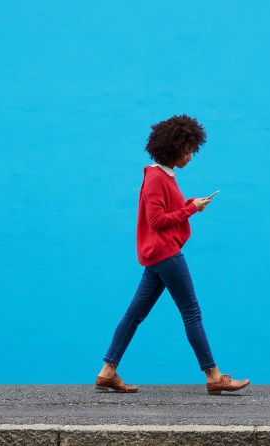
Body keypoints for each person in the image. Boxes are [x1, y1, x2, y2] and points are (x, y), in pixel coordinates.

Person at [95, 114, 250, 395]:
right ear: (173, 148)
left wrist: (191, 203)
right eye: (188, 150)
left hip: (157, 256)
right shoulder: (155, 177)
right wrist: (191, 210)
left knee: (134, 315)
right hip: (166, 254)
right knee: (191, 312)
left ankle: (107, 372)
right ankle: (214, 376)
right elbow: (157, 221)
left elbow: (167, 211)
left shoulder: (164, 175)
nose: (190, 157)